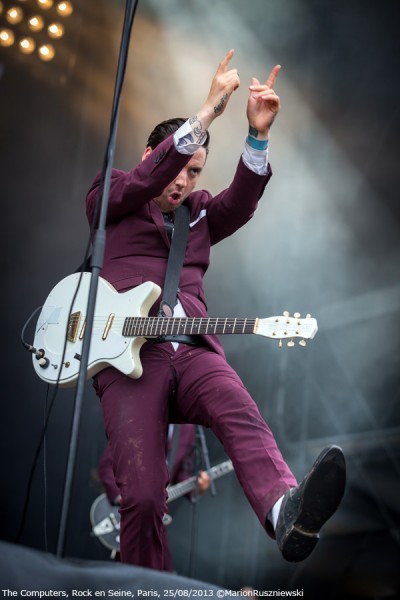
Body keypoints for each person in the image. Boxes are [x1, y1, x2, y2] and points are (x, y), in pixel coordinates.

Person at [86, 49, 346, 570]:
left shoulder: (199, 215)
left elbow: (240, 202)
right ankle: (148, 584)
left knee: (240, 411)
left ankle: (284, 511)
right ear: (151, 155)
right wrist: (205, 112)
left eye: (195, 172)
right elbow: (142, 182)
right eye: (176, 167)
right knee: (140, 496)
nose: (183, 181)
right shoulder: (113, 196)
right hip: (127, 359)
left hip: (192, 352)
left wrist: (257, 136)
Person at [97, 424, 210, 570]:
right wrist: (122, 497)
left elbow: (180, 473)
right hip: (130, 512)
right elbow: (107, 466)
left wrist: (198, 487)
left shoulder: (186, 428)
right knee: (126, 574)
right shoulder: (137, 414)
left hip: (157, 516)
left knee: (163, 575)